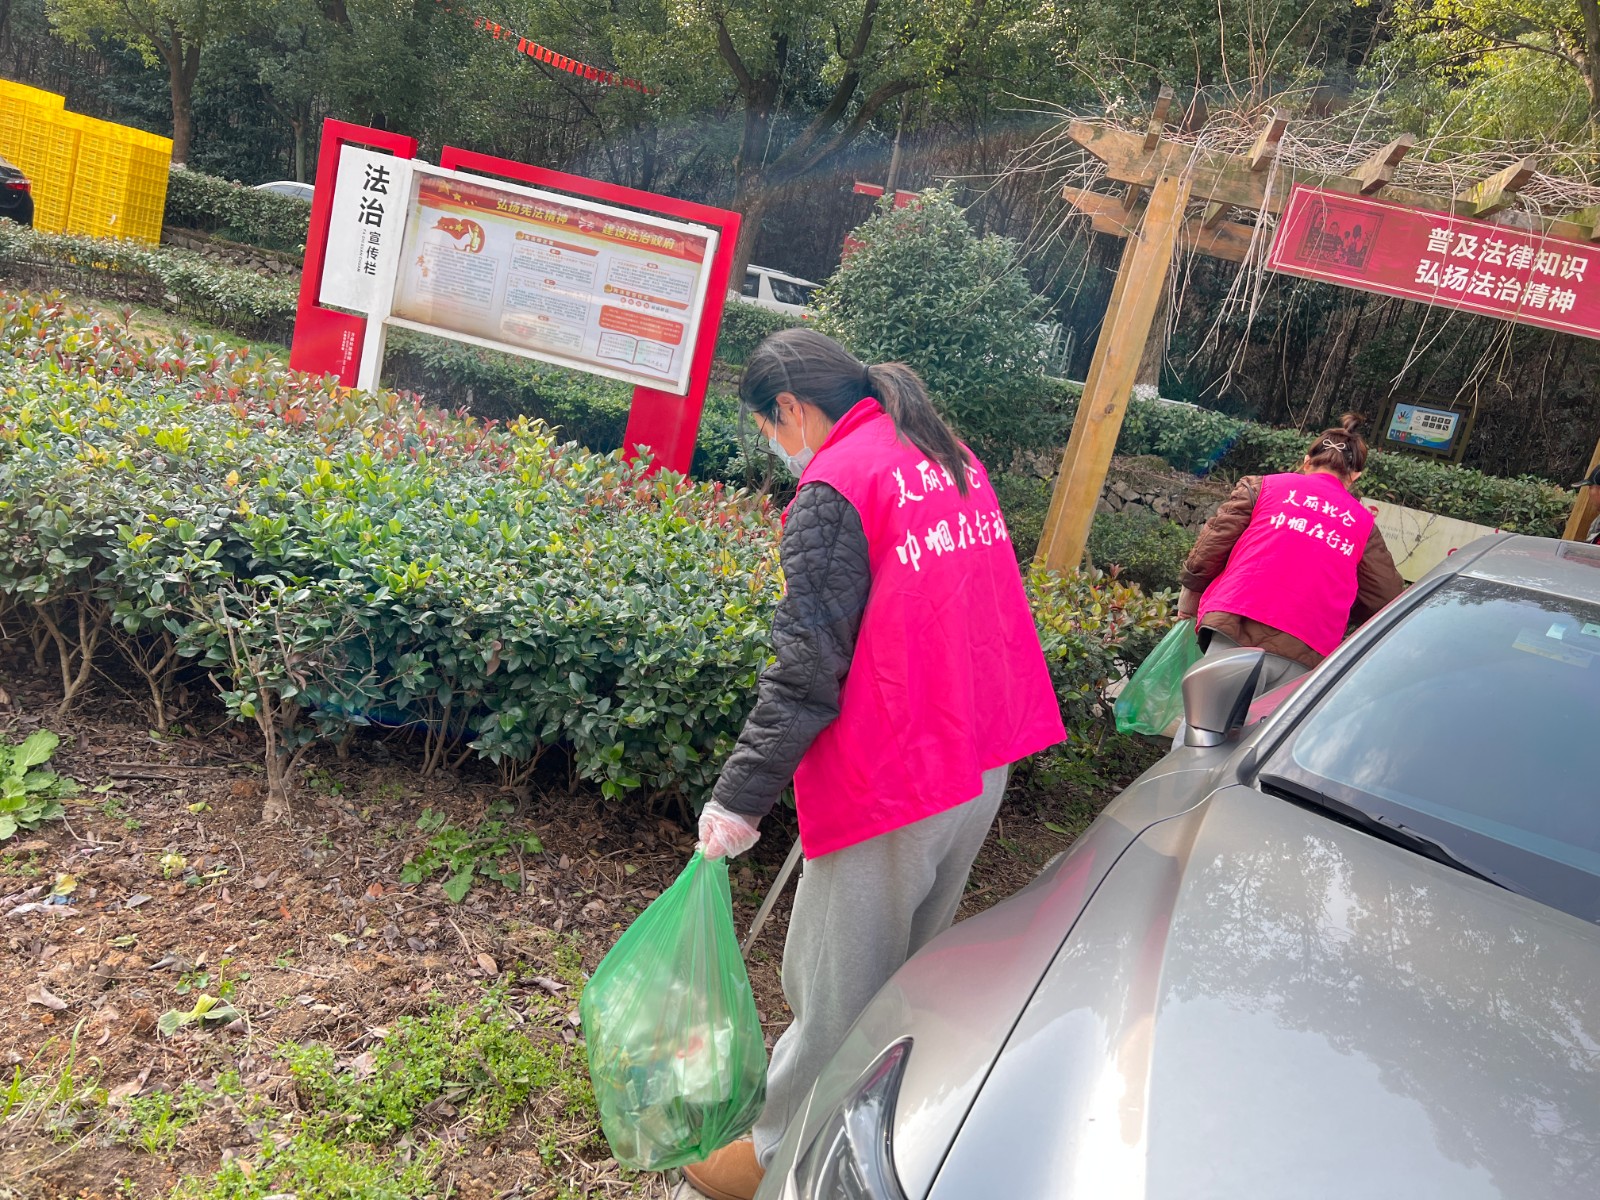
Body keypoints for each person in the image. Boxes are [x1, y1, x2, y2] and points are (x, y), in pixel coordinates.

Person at [681, 328, 1065, 1200]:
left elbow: (806, 665)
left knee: (837, 985)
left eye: (769, 429)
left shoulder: (837, 484)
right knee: (903, 977)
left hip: (900, 774)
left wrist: (739, 799)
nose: (776, 449)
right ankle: (877, 1135)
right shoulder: (938, 448)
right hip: (977, 753)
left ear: (788, 408)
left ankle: (773, 1159)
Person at [1175, 412, 1405, 692]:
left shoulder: (1262, 487)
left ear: (1307, 462)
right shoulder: (1362, 524)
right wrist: (1334, 610)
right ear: (1355, 475)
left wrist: (1188, 599)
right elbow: (1386, 596)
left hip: (1236, 623)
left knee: (1203, 727)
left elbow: (1212, 546)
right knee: (1265, 735)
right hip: (1307, 646)